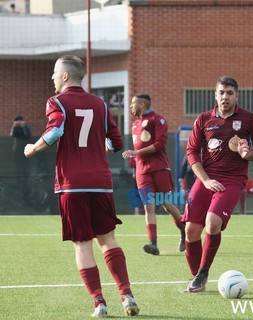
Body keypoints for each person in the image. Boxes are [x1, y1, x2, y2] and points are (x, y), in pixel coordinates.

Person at [24, 55, 139, 317]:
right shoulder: (100, 103)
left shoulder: (57, 102)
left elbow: (54, 132)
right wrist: (99, 147)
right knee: (108, 240)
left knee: (83, 244)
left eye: (55, 73)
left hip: (71, 184)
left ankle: (99, 302)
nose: (52, 77)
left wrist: (32, 149)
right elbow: (117, 143)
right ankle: (126, 294)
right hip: (101, 182)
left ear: (65, 76)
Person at [182, 76, 253, 293]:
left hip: (232, 180)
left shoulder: (249, 119)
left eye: (229, 93)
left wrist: (247, 155)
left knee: (212, 222)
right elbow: (191, 152)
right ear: (215, 95)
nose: (225, 96)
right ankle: (196, 279)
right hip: (206, 178)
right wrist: (205, 180)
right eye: (221, 92)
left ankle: (203, 273)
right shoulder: (203, 119)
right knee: (191, 230)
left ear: (236, 95)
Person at [122, 94, 186, 256]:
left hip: (159, 168)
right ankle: (153, 243)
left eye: (133, 103)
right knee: (148, 206)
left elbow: (159, 144)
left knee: (167, 205)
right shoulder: (135, 124)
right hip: (142, 172)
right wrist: (134, 158)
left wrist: (136, 152)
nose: (130, 107)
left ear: (142, 105)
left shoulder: (158, 120)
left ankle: (184, 231)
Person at [10, 115, 32, 203]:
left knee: (26, 168)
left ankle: (25, 183)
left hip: (26, 151)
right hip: (17, 151)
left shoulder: (26, 127)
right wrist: (14, 126)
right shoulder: (15, 128)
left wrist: (24, 127)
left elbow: (28, 136)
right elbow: (12, 135)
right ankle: (19, 182)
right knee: (18, 167)